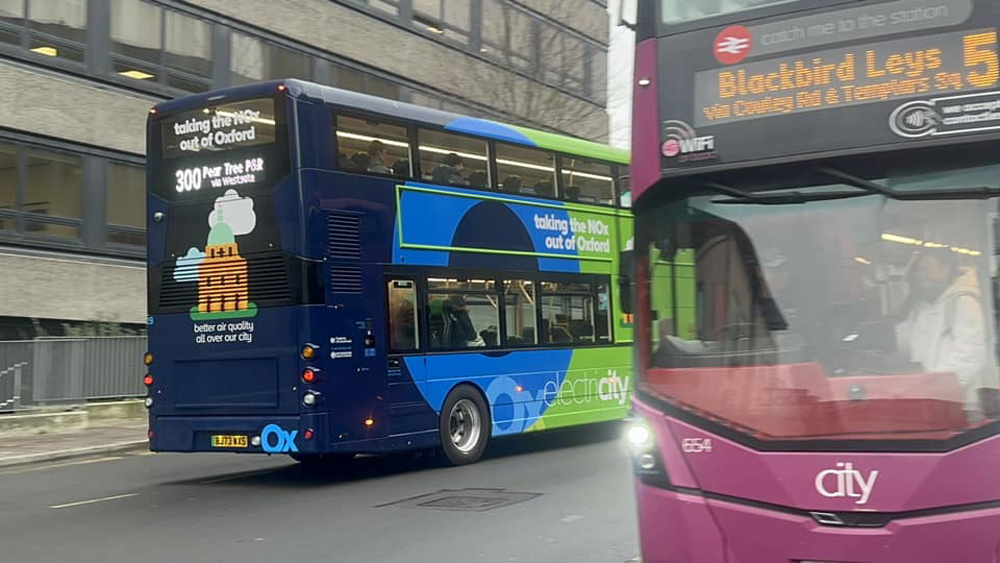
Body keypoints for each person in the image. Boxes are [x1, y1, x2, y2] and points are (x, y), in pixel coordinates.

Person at [895, 247, 991, 413]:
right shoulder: (921, 307)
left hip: (961, 405)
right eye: (917, 272)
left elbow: (969, 356)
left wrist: (932, 387)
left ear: (945, 269)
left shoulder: (964, 302)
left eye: (925, 270)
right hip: (929, 402)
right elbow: (906, 344)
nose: (920, 276)